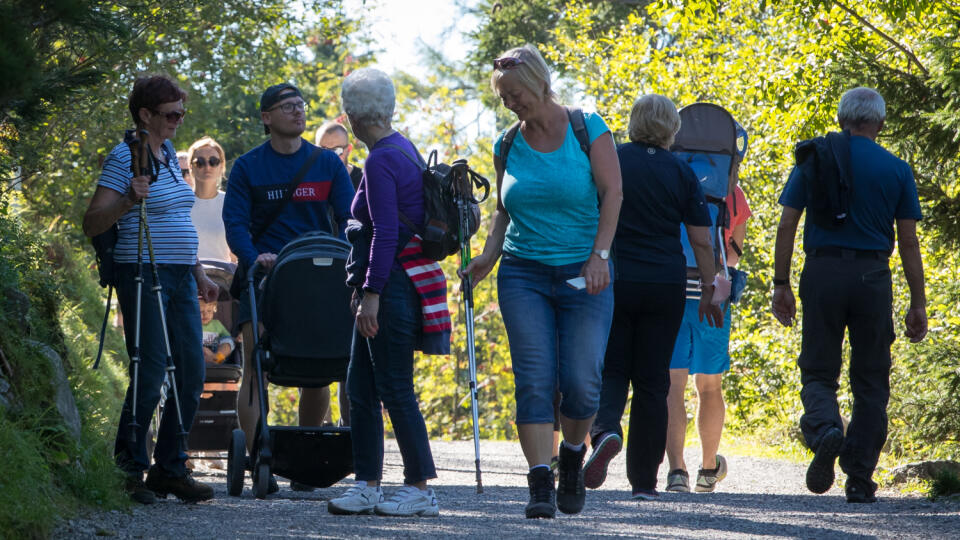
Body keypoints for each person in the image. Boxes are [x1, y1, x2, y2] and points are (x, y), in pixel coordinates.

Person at [461, 44, 622, 519]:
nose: (511, 103)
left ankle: (572, 457)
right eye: (504, 97)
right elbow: (504, 211)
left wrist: (600, 255)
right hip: (522, 273)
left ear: (539, 83)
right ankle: (538, 483)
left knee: (582, 381)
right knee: (534, 379)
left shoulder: (586, 126)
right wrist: (487, 258)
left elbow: (613, 193)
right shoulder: (507, 143)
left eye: (516, 94)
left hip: (583, 274)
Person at [772, 87, 927, 503]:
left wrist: (781, 283)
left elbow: (787, 225)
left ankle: (825, 430)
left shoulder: (815, 159)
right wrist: (918, 302)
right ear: (880, 122)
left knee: (819, 369)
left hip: (822, 272)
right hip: (872, 277)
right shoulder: (897, 169)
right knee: (871, 379)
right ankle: (859, 476)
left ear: (843, 119)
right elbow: (908, 242)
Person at [581, 94, 724, 501]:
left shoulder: (613, 162)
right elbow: (700, 240)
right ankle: (644, 482)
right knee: (652, 381)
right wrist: (711, 290)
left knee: (612, 368)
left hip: (615, 279)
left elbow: (589, 215)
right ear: (672, 131)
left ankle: (605, 430)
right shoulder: (681, 173)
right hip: (666, 284)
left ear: (631, 122)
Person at [82, 75, 217, 504]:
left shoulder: (165, 158)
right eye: (171, 113)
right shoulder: (127, 157)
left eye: (181, 112)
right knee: (151, 367)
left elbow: (177, 222)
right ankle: (129, 470)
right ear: (145, 114)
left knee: (192, 370)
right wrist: (126, 201)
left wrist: (199, 273)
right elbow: (92, 222)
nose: (179, 120)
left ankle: (171, 469)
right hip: (143, 271)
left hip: (179, 277)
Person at [222, 82, 355, 493]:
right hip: (266, 279)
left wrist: (351, 256)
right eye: (286, 107)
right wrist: (254, 258)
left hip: (319, 282)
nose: (297, 112)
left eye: (300, 106)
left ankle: (306, 460)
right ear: (267, 117)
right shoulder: (248, 167)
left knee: (321, 371)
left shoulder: (327, 165)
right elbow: (235, 225)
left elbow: (351, 219)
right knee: (257, 366)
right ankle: (260, 450)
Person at [327, 68, 446, 518]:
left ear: (354, 116)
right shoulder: (403, 147)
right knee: (360, 387)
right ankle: (367, 484)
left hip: (391, 285)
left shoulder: (379, 159)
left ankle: (419, 488)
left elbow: (386, 232)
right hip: (388, 284)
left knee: (395, 387)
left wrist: (372, 293)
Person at [664, 183, 751, 493]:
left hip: (672, 286)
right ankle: (708, 468)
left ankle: (677, 472)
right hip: (714, 292)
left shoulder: (670, 179)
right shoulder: (732, 192)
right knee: (710, 384)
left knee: (673, 383)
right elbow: (733, 258)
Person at [188, 136, 234, 262]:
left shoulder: (231, 203)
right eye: (200, 162)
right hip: (187, 277)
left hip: (223, 277)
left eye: (213, 161)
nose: (207, 167)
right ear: (190, 166)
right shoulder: (181, 204)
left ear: (221, 166)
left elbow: (237, 253)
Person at [316, 120, 364, 190]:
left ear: (349, 150)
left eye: (337, 150)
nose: (330, 157)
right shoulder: (308, 181)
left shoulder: (364, 182)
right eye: (324, 151)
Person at [200, 298, 234, 364]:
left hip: (216, 350)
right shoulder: (193, 324)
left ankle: (217, 358)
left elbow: (227, 337)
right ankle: (210, 359)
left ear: (213, 310)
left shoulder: (217, 324)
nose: (205, 314)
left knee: (229, 341)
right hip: (200, 352)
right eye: (201, 311)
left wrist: (236, 339)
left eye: (209, 311)